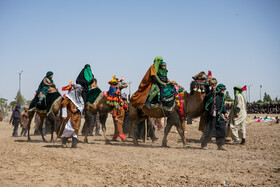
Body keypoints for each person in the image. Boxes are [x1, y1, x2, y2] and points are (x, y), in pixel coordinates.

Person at [201, 84, 228, 150]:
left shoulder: (222, 96)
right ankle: (204, 144)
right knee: (209, 131)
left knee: (222, 130)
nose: (223, 91)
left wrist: (225, 112)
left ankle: (220, 145)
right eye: (222, 89)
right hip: (211, 115)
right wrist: (212, 92)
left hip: (219, 115)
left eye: (224, 90)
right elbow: (206, 98)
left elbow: (222, 105)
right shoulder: (212, 94)